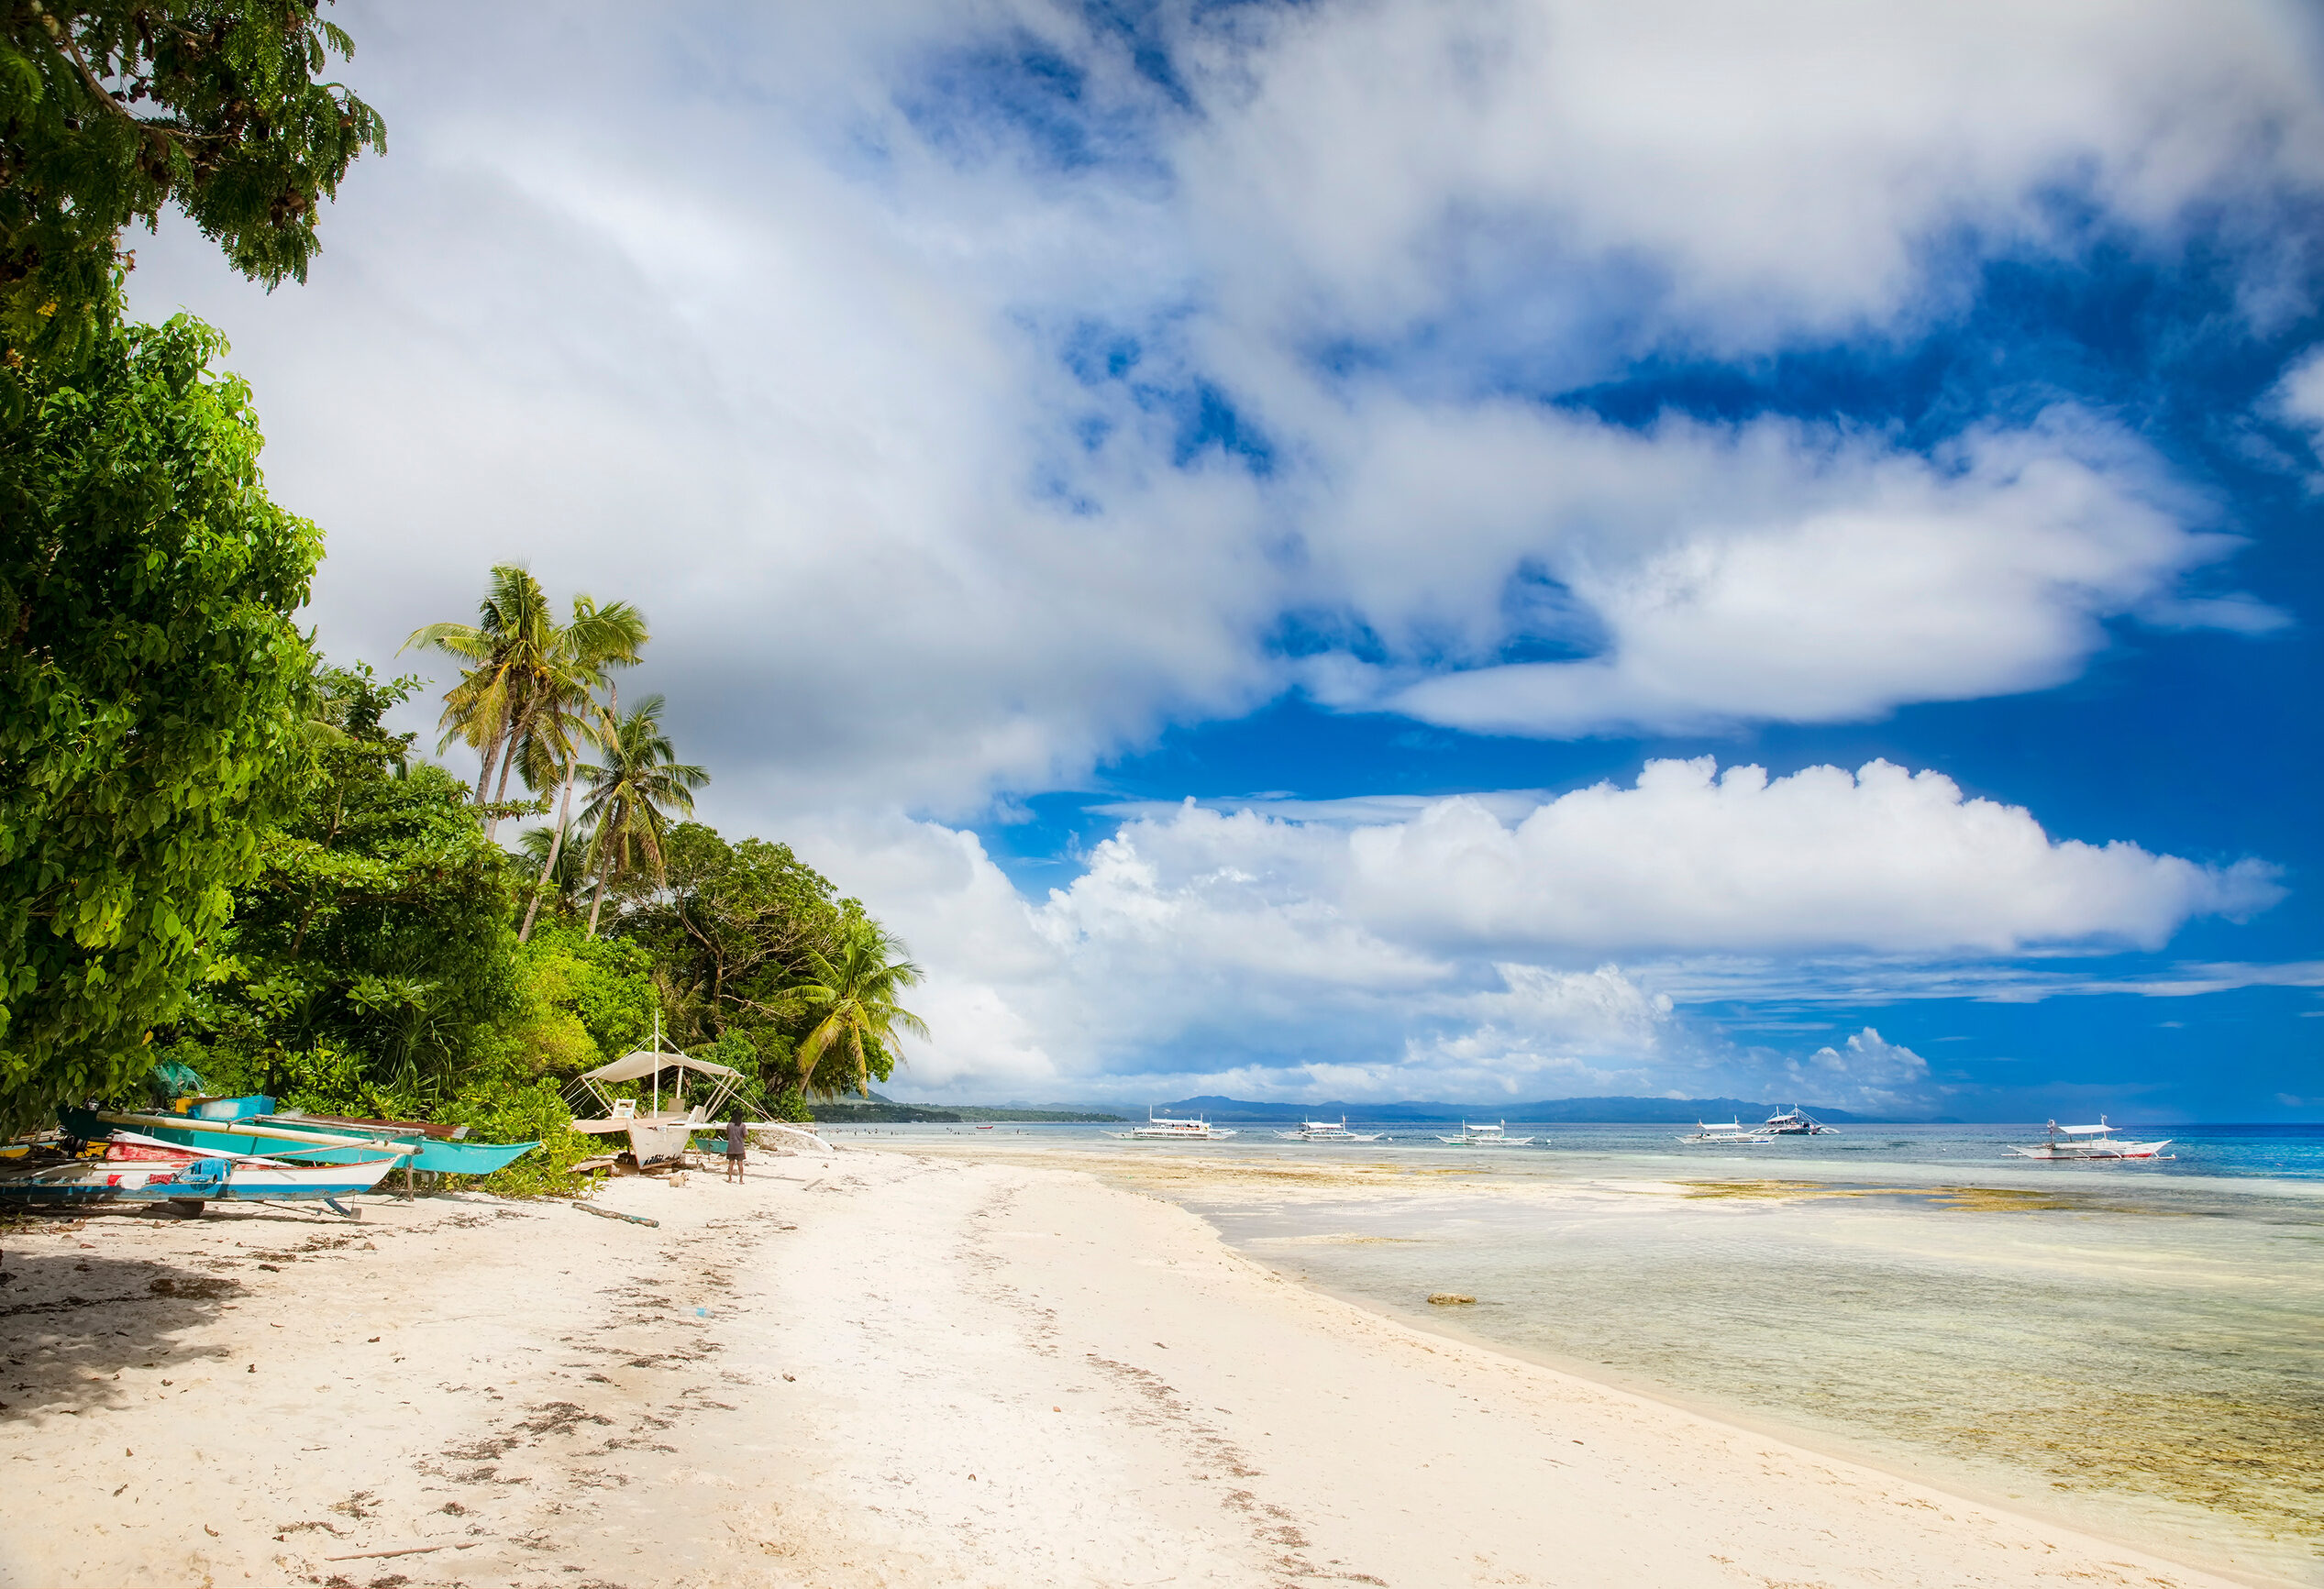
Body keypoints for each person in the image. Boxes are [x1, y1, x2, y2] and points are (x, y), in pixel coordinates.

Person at [724, 1116, 748, 1183]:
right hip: (739, 1147)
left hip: (731, 1146)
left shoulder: (729, 1125)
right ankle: (741, 1180)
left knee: (731, 1163)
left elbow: (727, 1133)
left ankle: (730, 1179)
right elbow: (746, 1135)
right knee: (740, 1164)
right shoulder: (742, 1125)